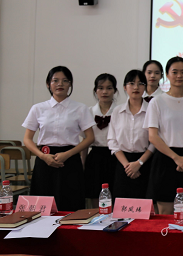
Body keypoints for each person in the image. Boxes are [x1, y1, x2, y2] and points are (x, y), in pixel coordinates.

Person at [22, 66, 95, 211]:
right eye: (55, 80)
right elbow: (27, 139)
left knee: (71, 204)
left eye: (65, 81)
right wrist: (43, 156)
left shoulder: (80, 108)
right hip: (45, 159)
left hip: (70, 159)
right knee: (43, 205)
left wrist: (68, 154)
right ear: (48, 84)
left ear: (70, 84)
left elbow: (90, 138)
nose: (60, 84)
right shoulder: (38, 108)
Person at [144, 56, 183, 214]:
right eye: (175, 72)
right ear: (167, 75)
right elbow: (153, 136)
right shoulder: (157, 101)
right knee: (166, 211)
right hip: (165, 158)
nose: (179, 76)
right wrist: (176, 158)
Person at [108, 70, 154, 199]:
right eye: (132, 83)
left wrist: (139, 163)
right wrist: (127, 166)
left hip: (145, 162)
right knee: (122, 204)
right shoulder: (117, 111)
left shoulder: (152, 110)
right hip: (123, 163)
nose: (136, 87)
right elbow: (112, 141)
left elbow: (155, 141)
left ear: (145, 87)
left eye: (140, 84)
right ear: (124, 87)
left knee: (145, 203)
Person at [85, 73, 118, 206]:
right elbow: (85, 142)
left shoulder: (120, 111)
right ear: (95, 90)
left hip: (116, 156)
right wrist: (82, 163)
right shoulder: (88, 112)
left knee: (116, 194)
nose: (105, 92)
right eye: (101, 88)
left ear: (115, 90)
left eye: (109, 88)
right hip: (95, 158)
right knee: (95, 195)